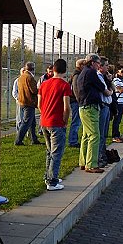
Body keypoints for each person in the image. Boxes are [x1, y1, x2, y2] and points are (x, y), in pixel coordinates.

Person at [38, 59, 72, 191]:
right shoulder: (64, 85)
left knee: (49, 151)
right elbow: (67, 107)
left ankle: (49, 176)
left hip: (44, 121)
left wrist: (45, 114)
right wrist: (65, 121)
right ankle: (52, 182)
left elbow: (39, 104)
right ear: (65, 69)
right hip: (57, 122)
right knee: (57, 152)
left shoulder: (44, 84)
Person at [76, 53, 109, 173]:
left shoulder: (83, 72)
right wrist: (109, 90)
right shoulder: (91, 73)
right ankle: (91, 164)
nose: (99, 66)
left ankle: (83, 161)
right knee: (95, 135)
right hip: (90, 107)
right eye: (98, 63)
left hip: (84, 107)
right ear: (93, 63)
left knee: (86, 136)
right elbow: (102, 88)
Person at [15, 62, 41, 146]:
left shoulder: (21, 77)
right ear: (32, 69)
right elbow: (34, 91)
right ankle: (18, 141)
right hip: (29, 102)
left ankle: (34, 139)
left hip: (22, 101)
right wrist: (40, 89)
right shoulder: (30, 78)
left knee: (32, 123)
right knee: (26, 122)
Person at [68, 59, 85, 148]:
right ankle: (73, 140)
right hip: (76, 101)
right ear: (81, 65)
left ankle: (73, 139)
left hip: (75, 100)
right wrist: (79, 100)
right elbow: (75, 89)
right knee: (76, 121)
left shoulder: (77, 74)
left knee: (77, 121)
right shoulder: (77, 75)